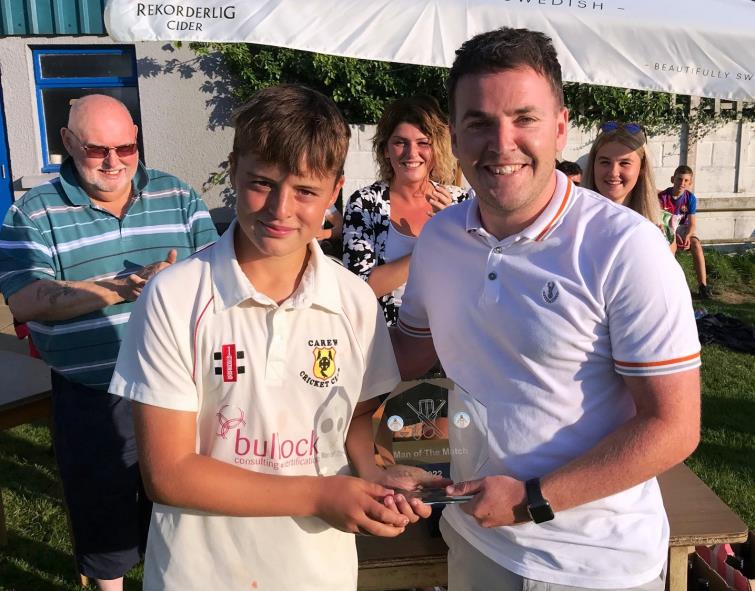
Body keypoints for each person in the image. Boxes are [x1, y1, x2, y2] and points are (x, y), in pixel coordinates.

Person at [391, 27, 701, 590]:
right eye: (479, 122)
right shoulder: (439, 240)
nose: (501, 142)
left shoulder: (624, 247)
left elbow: (674, 428)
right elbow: (404, 355)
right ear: (455, 139)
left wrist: (532, 500)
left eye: (524, 118)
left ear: (560, 128)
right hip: (477, 540)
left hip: (596, 565)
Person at [109, 84, 434, 591]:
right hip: (199, 574)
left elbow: (357, 420)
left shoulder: (354, 302)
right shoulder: (173, 298)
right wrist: (321, 495)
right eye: (261, 182)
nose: (280, 209)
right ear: (234, 169)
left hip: (316, 571)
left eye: (305, 191)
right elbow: (168, 475)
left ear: (335, 191)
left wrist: (377, 475)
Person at [0, 94, 218, 590]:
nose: (114, 161)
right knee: (105, 529)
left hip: (178, 393)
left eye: (127, 148)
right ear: (67, 143)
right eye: (98, 150)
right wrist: (124, 286)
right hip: (91, 393)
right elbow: (27, 300)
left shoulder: (178, 196)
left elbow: (216, 279)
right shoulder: (33, 212)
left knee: (186, 516)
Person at [343, 95, 466, 325]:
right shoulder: (365, 203)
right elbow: (360, 288)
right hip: (386, 339)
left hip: (449, 337)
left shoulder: (459, 201)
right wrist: (433, 241)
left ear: (436, 148)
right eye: (400, 142)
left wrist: (454, 229)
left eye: (423, 143)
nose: (412, 153)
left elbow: (475, 275)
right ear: (386, 150)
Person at [659, 165, 710, 298]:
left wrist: (687, 236)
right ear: (672, 179)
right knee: (671, 247)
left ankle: (703, 286)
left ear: (690, 183)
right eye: (679, 179)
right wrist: (674, 236)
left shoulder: (690, 198)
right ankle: (671, 287)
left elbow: (692, 224)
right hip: (666, 229)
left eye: (686, 181)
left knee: (696, 244)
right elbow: (662, 223)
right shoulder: (662, 197)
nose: (682, 183)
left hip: (682, 229)